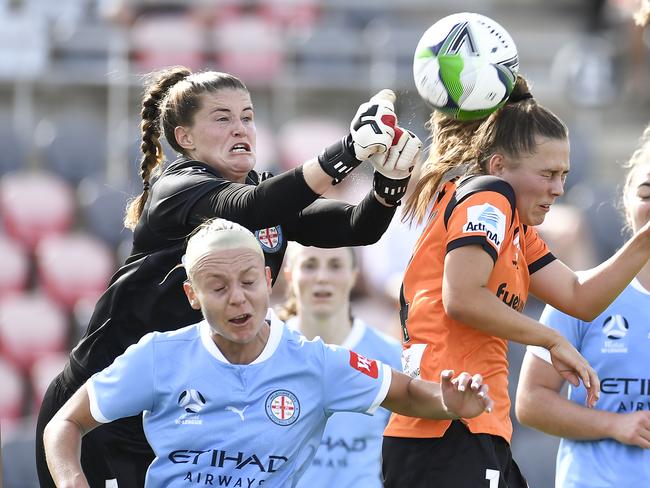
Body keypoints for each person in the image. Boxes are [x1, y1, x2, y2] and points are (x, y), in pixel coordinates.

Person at [35, 66, 423, 488]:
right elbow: (250, 206)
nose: (241, 128)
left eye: (248, 117)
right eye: (222, 118)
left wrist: (390, 180)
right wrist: (346, 151)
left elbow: (356, 228)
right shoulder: (177, 188)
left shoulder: (262, 194)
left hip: (173, 419)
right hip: (101, 416)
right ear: (186, 139)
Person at [43, 218, 493, 488]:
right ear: (192, 295)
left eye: (249, 282)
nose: (238, 298)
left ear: (269, 278)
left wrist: (449, 401)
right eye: (218, 288)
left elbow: (408, 394)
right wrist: (71, 481)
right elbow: (66, 422)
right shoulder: (160, 357)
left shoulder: (314, 364)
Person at [381, 74, 650, 488]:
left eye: (564, 175)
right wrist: (551, 339)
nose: (559, 188)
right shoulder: (491, 196)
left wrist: (645, 239)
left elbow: (580, 297)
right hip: (444, 431)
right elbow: (462, 297)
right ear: (499, 165)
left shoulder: (518, 232)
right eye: (548, 174)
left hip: (478, 427)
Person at [515, 123, 650, 487]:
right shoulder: (581, 294)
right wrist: (616, 425)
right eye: (647, 192)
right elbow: (530, 402)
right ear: (627, 201)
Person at [277, 243, 401, 487]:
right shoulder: (266, 350)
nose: (322, 277)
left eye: (335, 265)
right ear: (289, 274)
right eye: (309, 265)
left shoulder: (389, 356)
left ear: (354, 275)